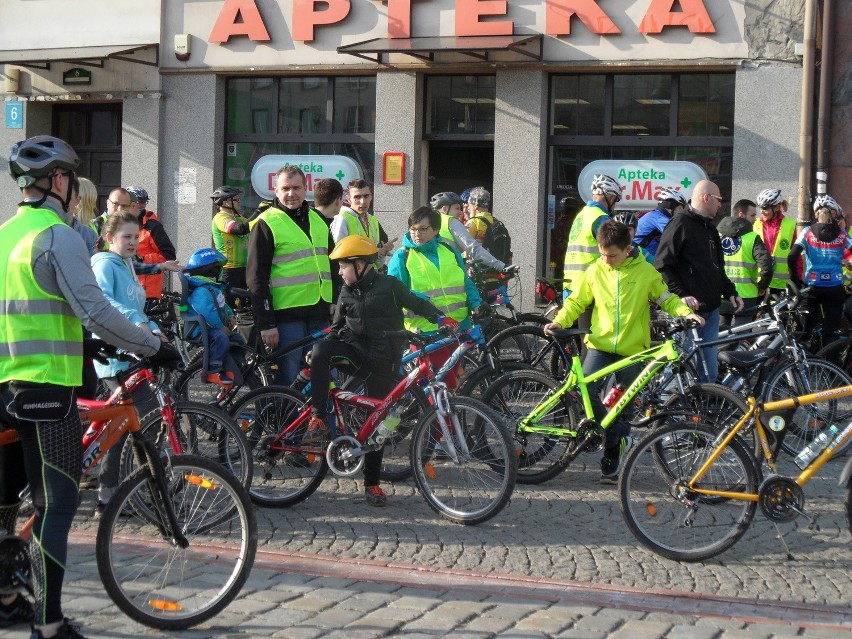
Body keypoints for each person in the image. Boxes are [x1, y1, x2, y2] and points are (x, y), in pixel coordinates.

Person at [0, 135, 178, 639]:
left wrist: (86, 347)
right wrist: (150, 345)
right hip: (44, 389)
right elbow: (96, 310)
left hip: (5, 385)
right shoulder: (55, 237)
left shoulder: (7, 233)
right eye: (71, 181)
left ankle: (9, 599)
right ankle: (49, 625)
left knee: (7, 503)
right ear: (59, 181)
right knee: (56, 504)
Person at [545, 220, 703, 483]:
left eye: (612, 255)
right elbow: (576, 301)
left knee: (621, 406)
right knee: (584, 392)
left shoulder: (646, 272)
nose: (606, 260)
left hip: (633, 351)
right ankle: (612, 434)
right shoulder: (596, 270)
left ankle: (612, 451)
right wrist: (560, 320)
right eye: (602, 254)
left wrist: (686, 313)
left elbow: (667, 299)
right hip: (600, 346)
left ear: (628, 249)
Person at [306, 236, 447, 506]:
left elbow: (416, 302)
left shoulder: (390, 286)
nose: (339, 272)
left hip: (384, 361)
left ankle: (372, 484)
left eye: (342, 266)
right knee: (322, 350)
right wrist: (320, 350)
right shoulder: (346, 289)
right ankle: (318, 417)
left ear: (360, 264)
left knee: (378, 423)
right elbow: (336, 329)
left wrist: (440, 317)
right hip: (356, 355)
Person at [90, 210, 168, 517]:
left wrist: (156, 330)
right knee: (143, 420)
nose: (133, 242)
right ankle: (145, 490)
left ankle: (110, 498)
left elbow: (137, 307)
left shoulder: (124, 264)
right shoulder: (104, 263)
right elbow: (106, 301)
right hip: (114, 357)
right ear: (110, 238)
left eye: (136, 237)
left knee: (122, 428)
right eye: (126, 237)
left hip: (129, 354)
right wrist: (139, 323)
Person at [247, 165, 334, 385]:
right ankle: (285, 420)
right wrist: (266, 323)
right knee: (288, 379)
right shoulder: (266, 222)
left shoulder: (318, 219)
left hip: (320, 313)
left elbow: (333, 264)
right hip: (286, 319)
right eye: (285, 188)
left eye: (296, 188)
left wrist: (335, 300)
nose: (290, 194)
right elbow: (256, 278)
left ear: (306, 189)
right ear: (275, 190)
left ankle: (319, 420)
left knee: (324, 378)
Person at [655, 180, 743, 383]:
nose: (721, 205)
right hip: (687, 313)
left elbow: (717, 268)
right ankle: (667, 411)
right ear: (706, 198)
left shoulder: (710, 229)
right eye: (719, 199)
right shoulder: (680, 223)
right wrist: (682, 294)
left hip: (711, 311)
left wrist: (731, 291)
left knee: (709, 373)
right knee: (677, 370)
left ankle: (702, 412)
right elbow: (662, 265)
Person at [387, 206, 483, 389]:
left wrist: (477, 304)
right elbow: (397, 292)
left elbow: (465, 282)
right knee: (441, 386)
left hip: (457, 327)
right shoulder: (402, 256)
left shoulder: (449, 250)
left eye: (423, 229)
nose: (417, 234)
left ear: (436, 230)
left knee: (452, 383)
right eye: (413, 229)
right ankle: (436, 417)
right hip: (426, 332)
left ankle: (429, 414)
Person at [787, 195, 852, 348]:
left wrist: (796, 280)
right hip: (835, 287)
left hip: (812, 287)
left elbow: (792, 256)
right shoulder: (842, 234)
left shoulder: (807, 232)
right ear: (834, 214)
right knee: (832, 333)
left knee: (805, 332)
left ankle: (804, 364)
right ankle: (831, 367)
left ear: (816, 214)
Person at [183, 248, 240, 387]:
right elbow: (206, 311)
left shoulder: (212, 288)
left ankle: (237, 365)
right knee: (221, 338)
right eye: (219, 269)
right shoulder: (201, 291)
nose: (221, 272)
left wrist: (231, 316)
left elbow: (223, 306)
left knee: (238, 340)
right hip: (201, 330)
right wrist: (220, 327)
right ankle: (215, 369)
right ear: (211, 271)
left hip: (213, 328)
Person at [430, 191, 515, 275]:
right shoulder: (451, 221)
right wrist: (501, 266)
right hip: (450, 273)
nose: (461, 212)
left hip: (432, 270)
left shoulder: (429, 222)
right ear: (445, 209)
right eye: (457, 208)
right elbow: (473, 248)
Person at [718, 199, 773, 326]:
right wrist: (762, 287)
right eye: (753, 215)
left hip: (722, 292)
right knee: (742, 335)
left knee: (720, 335)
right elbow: (767, 266)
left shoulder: (718, 234)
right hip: (746, 294)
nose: (755, 219)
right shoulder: (752, 237)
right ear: (742, 215)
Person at [124, 186, 177, 304]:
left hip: (147, 291)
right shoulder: (120, 224)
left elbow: (168, 255)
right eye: (139, 202)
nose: (142, 205)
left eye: (144, 202)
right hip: (125, 288)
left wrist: (142, 259)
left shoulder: (153, 226)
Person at [330, 179, 396, 260]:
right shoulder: (342, 218)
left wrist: (383, 252)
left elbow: (376, 261)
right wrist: (373, 254)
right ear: (348, 199)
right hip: (351, 271)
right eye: (357, 197)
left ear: (371, 196)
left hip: (370, 271)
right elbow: (340, 255)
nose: (363, 202)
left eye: (366, 196)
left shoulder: (373, 220)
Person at [753, 188, 798, 296]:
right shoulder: (754, 224)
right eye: (760, 207)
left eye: (765, 208)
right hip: (759, 281)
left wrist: (798, 278)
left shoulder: (790, 225)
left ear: (777, 207)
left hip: (781, 283)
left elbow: (797, 255)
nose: (762, 211)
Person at [210, 185, 250, 305]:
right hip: (229, 269)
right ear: (226, 202)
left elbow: (254, 225)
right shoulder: (220, 218)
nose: (239, 202)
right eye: (236, 199)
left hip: (245, 268)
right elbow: (239, 229)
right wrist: (258, 212)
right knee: (229, 306)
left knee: (245, 306)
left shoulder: (239, 217)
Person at [633, 187, 687, 259]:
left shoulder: (656, 214)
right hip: (641, 254)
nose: (682, 212)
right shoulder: (660, 218)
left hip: (643, 252)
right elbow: (677, 236)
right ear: (670, 206)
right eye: (680, 208)